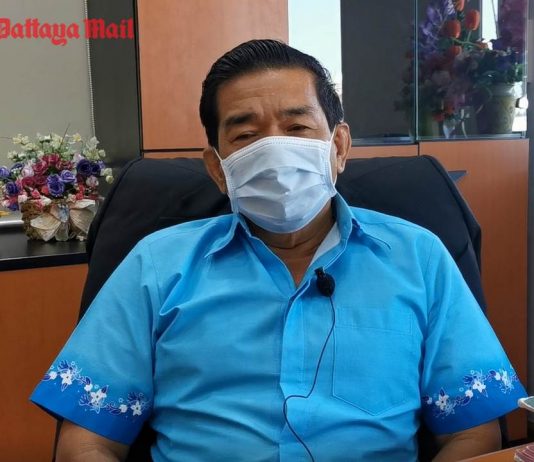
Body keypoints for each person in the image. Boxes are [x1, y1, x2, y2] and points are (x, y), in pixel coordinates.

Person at [31, 39, 526, 462]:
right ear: (218, 168)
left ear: (339, 147)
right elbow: (88, 439)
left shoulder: (419, 258)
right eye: (246, 135)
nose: (274, 151)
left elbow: (472, 431)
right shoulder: (156, 265)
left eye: (297, 128)